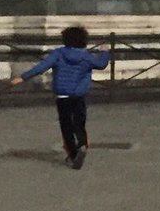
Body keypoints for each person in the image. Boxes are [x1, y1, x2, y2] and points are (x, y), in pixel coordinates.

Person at [11, 25, 110, 170]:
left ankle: (72, 154)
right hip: (79, 95)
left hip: (62, 95)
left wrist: (22, 78)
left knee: (66, 126)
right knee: (79, 123)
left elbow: (41, 67)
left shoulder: (58, 54)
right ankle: (82, 144)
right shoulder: (86, 56)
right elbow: (101, 64)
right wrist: (104, 52)